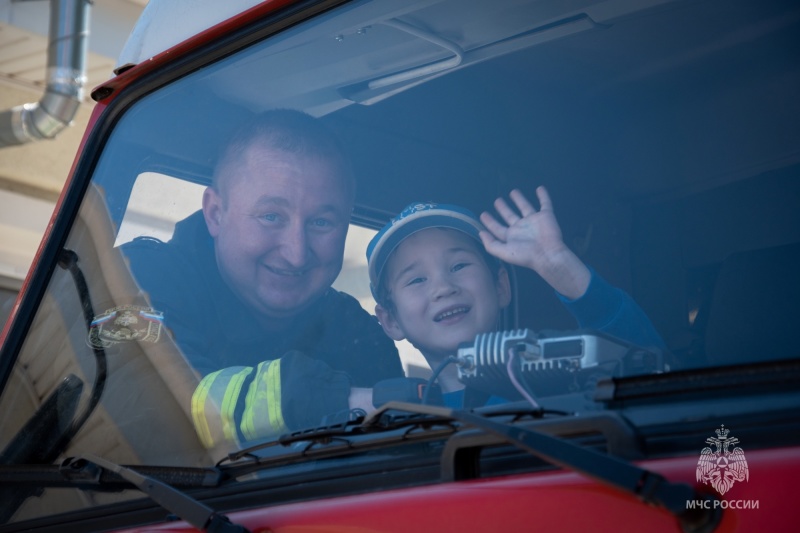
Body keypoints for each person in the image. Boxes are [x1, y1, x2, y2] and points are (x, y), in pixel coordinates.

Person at [123, 109, 403, 449]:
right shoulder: (134, 278)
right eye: (271, 216)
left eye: (321, 223)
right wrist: (332, 399)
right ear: (216, 213)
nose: (296, 253)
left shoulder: (358, 336)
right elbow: (149, 408)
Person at [367, 187, 666, 408]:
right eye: (417, 279)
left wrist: (559, 264)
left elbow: (650, 372)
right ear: (390, 320)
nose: (443, 288)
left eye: (459, 265)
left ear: (501, 287)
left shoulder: (567, 383)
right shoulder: (400, 421)